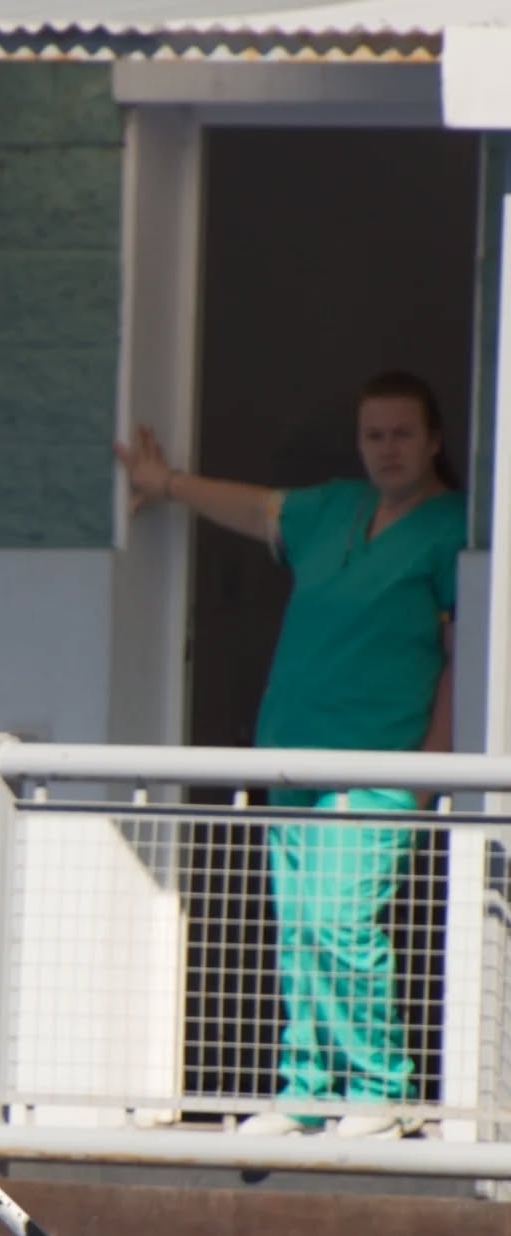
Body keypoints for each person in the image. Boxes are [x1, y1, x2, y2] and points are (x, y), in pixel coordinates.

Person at [115, 370, 466, 1140]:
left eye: (404, 433)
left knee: (343, 922)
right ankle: (305, 1089)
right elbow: (255, 509)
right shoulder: (336, 508)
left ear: (435, 439)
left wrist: (432, 770)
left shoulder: (453, 530)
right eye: (374, 434)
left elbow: (459, 657)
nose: (388, 448)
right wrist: (164, 483)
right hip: (291, 757)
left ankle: (383, 1087)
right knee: (300, 929)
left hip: (382, 767)